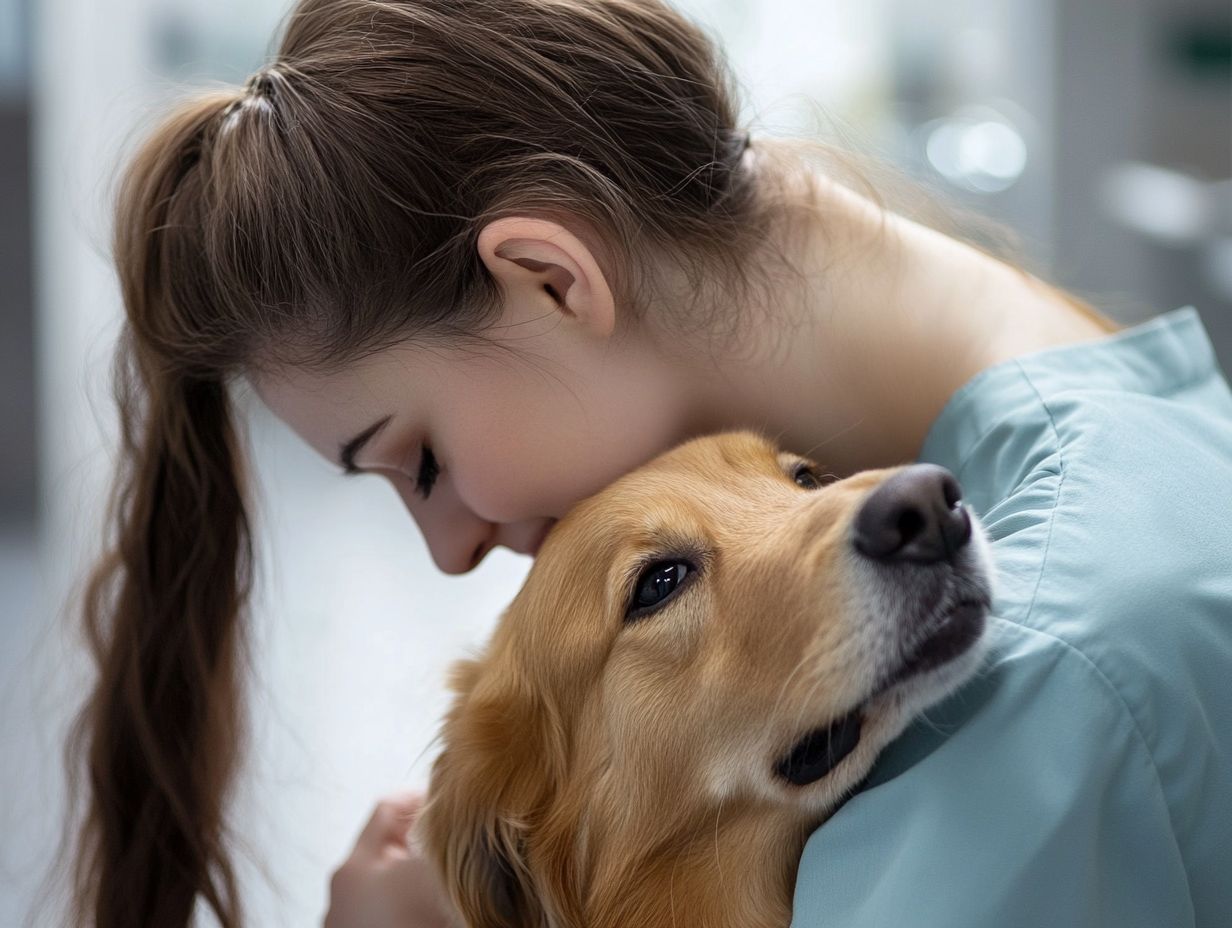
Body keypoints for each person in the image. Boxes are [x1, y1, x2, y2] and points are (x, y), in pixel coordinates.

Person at [58, 0, 1232, 926]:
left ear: (553, 282)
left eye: (417, 462)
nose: (455, 543)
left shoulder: (1039, 684)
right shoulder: (1114, 425)